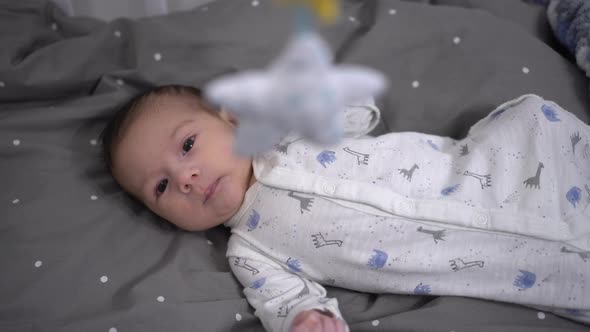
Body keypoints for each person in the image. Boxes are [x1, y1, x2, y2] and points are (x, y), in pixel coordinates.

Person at [102, 84, 590, 332]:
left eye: (187, 144)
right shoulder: (249, 251)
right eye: (161, 186)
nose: (185, 178)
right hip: (501, 263)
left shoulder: (289, 137)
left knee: (543, 138)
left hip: (499, 171)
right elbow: (284, 299)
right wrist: (304, 318)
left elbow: (359, 110)